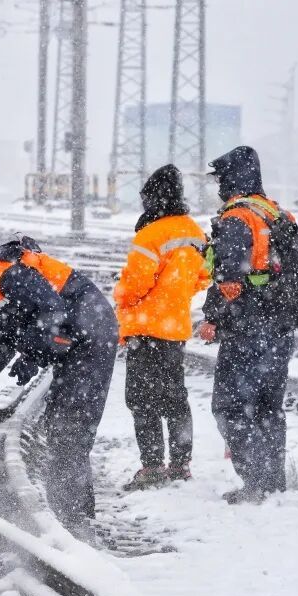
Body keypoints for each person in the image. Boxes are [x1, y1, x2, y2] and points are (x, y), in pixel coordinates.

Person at [0, 238, 117, 539]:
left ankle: (75, 524)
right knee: (60, 428)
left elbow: (52, 310)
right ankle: (71, 517)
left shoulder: (7, 273)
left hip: (91, 335)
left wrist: (34, 354)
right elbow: (3, 344)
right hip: (74, 340)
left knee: (69, 428)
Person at [198, 146, 298, 504]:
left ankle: (255, 483)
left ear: (232, 178)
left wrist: (212, 318)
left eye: (221, 178)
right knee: (269, 406)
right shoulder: (276, 212)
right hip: (280, 323)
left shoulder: (238, 217)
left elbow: (229, 281)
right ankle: (272, 482)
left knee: (232, 407)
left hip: (249, 325)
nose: (219, 185)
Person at [114, 165, 209, 490]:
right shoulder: (196, 232)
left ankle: (152, 467)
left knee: (142, 400)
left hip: (145, 329)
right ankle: (181, 465)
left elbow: (134, 286)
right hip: (175, 329)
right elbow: (204, 276)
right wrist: (175, 294)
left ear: (152, 198)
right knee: (175, 397)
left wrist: (120, 294)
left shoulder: (150, 235)